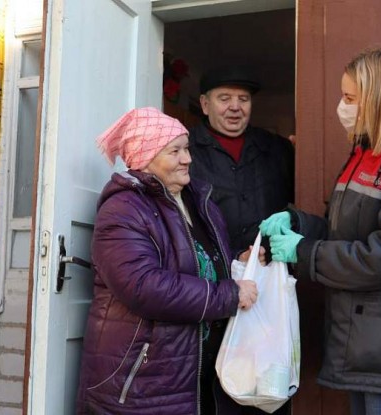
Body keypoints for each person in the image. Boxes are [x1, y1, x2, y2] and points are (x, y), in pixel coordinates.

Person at [260, 46, 381, 415]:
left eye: (350, 98)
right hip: (363, 347)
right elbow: (346, 232)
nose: (342, 106)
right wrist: (298, 223)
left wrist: (303, 252)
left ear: (379, 100)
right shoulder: (366, 155)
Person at [76, 107, 261, 415]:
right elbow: (143, 287)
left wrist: (235, 261)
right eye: (175, 151)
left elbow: (198, 260)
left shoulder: (197, 201)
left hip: (193, 369)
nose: (187, 158)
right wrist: (229, 294)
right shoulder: (124, 209)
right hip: (142, 378)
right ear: (145, 156)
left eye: (186, 148)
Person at [188, 64, 295, 258]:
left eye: (243, 99)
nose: (235, 107)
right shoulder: (184, 151)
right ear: (205, 104)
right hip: (212, 276)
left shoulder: (278, 148)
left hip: (271, 268)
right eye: (225, 98)